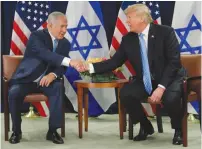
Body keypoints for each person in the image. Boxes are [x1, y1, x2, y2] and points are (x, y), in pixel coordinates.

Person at [78, 4, 183, 145]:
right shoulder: (128, 39)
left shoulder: (165, 32)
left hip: (169, 79)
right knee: (126, 94)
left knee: (171, 98)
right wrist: (89, 67)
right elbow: (114, 62)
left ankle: (179, 130)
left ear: (142, 18)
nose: (126, 21)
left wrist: (161, 87)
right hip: (146, 80)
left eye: (129, 17)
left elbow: (174, 63)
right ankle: (146, 126)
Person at [8, 12, 83, 144]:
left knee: (58, 87)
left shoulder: (65, 43)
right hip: (28, 79)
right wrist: (70, 61)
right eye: (62, 26)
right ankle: (16, 131)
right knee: (14, 93)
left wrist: (52, 75)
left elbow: (61, 67)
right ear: (50, 25)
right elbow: (45, 54)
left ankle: (53, 131)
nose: (65, 30)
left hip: (48, 81)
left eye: (66, 26)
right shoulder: (36, 36)